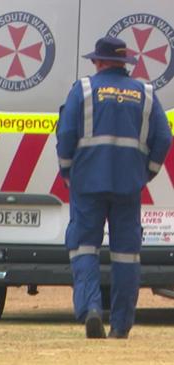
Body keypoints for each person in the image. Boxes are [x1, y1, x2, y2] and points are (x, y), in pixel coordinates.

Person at [56, 36, 171, 339]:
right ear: (124, 64)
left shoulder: (83, 89)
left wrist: (67, 170)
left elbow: (66, 133)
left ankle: (91, 308)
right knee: (126, 255)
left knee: (83, 248)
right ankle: (121, 324)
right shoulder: (145, 93)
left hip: (87, 182)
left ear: (99, 61)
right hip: (128, 184)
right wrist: (147, 172)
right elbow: (164, 138)